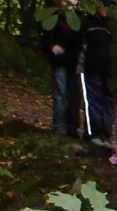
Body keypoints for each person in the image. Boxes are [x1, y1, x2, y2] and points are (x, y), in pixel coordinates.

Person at [77, 0, 116, 148]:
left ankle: (105, 134)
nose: (106, 9)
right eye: (104, 5)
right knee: (92, 100)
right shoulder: (85, 22)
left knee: (107, 101)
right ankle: (92, 133)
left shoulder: (108, 25)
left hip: (106, 69)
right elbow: (80, 46)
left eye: (109, 6)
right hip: (89, 67)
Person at [41, 0, 82, 137]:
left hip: (74, 63)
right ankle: (59, 126)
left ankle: (72, 127)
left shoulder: (79, 17)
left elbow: (81, 39)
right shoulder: (55, 17)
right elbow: (45, 37)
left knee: (74, 96)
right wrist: (51, 46)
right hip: (59, 63)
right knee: (61, 94)